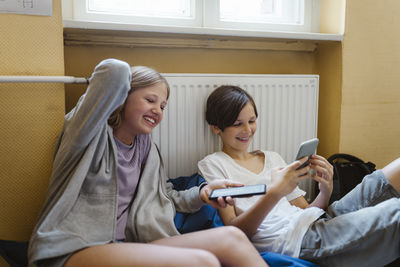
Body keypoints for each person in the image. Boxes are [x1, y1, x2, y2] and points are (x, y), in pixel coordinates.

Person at [28, 59, 269, 267]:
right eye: (150, 100)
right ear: (123, 96)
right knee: (202, 262)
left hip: (129, 243)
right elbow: (113, 72)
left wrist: (203, 193)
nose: (158, 110)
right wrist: (122, 84)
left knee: (232, 237)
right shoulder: (86, 134)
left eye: (162, 106)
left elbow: (163, 197)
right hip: (75, 248)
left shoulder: (146, 147)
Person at [198, 85, 400, 267]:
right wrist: (275, 193)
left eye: (252, 121)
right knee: (395, 212)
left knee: (390, 173)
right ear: (216, 127)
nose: (247, 130)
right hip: (297, 241)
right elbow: (236, 233)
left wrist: (326, 190)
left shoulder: (272, 157)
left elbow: (306, 211)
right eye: (237, 123)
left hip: (319, 222)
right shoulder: (214, 164)